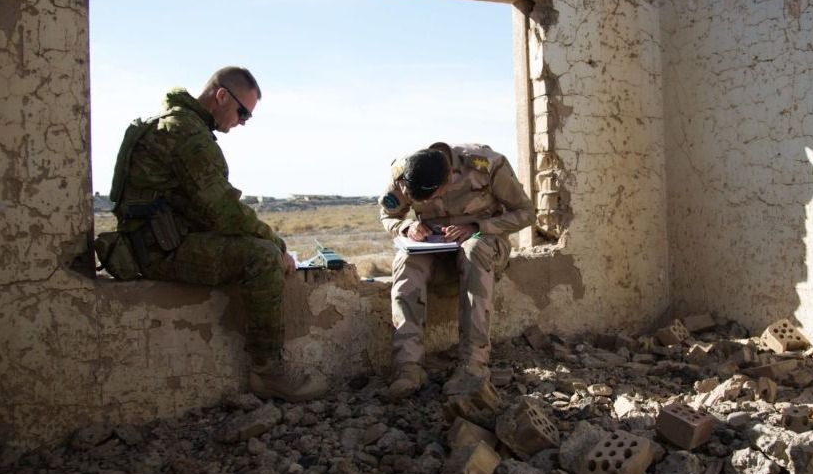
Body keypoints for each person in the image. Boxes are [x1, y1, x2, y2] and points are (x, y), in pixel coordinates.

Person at [108, 66, 327, 401]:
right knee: (262, 257)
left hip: (152, 242)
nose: (242, 122)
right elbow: (223, 210)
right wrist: (276, 242)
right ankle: (268, 372)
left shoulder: (170, 123)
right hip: (158, 250)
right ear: (222, 95)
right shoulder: (187, 134)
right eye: (242, 113)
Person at [379, 142, 535, 400]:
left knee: (473, 249)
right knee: (406, 261)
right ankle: (408, 368)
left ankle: (473, 366)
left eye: (433, 196)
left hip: (483, 241)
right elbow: (388, 215)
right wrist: (407, 228)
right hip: (434, 248)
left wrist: (477, 226)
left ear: (450, 177)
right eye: (422, 200)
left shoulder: (487, 165)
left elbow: (526, 213)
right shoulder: (405, 173)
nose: (429, 203)